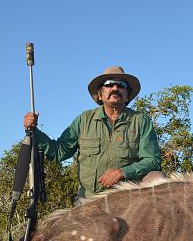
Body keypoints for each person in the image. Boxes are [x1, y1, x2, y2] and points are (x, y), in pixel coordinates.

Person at [24, 66, 163, 199]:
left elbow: (152, 160)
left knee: (158, 178)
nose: (115, 88)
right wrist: (34, 130)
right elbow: (59, 151)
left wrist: (122, 173)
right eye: (109, 84)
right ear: (100, 94)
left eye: (121, 85)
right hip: (91, 199)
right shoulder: (83, 120)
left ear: (127, 96)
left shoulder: (141, 120)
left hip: (128, 196)